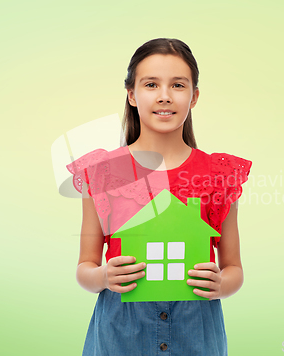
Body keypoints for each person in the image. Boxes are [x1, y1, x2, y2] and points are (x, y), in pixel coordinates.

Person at [66, 38, 252, 356]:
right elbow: (86, 266)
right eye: (151, 84)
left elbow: (233, 267)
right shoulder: (102, 172)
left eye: (177, 85)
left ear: (193, 97)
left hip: (196, 330)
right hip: (120, 331)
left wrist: (222, 284)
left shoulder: (219, 174)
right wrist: (103, 276)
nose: (164, 96)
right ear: (132, 94)